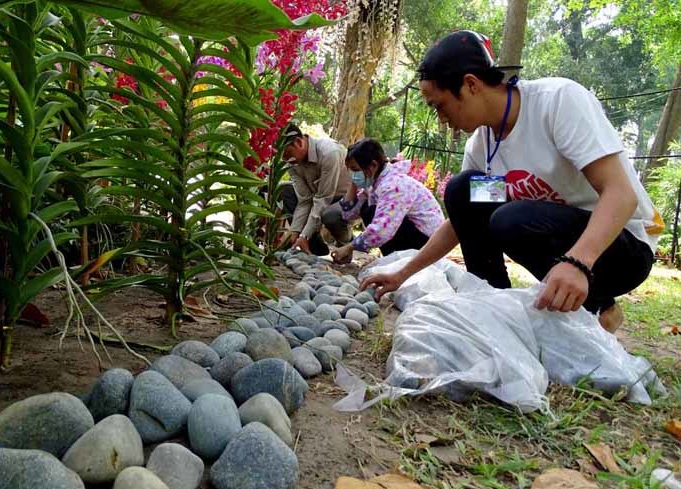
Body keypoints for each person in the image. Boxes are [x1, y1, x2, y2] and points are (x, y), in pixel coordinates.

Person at [361, 30, 664, 332]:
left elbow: (621, 194)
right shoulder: (481, 145)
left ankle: (600, 306)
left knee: (512, 218)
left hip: (622, 245)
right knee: (463, 190)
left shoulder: (556, 103)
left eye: (439, 105)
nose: (441, 118)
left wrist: (579, 263)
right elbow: (460, 223)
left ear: (470, 85)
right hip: (560, 239)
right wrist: (403, 274)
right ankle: (494, 307)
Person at [331, 139, 445, 264]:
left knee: (372, 212)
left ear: (373, 165)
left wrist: (349, 247)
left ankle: (400, 263)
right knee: (367, 208)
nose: (352, 174)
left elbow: (382, 230)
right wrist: (354, 183)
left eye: (355, 169)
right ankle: (394, 260)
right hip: (419, 235)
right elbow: (349, 214)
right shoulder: (375, 183)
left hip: (429, 242)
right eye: (350, 170)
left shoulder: (393, 185)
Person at [279, 124, 353, 256]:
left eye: (287, 154)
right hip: (318, 198)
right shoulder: (291, 162)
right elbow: (304, 200)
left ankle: (347, 244)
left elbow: (323, 199)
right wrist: (295, 232)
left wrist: (304, 234)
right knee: (285, 190)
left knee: (330, 216)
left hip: (343, 199)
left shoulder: (329, 153)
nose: (286, 160)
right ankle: (313, 246)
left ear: (298, 143)